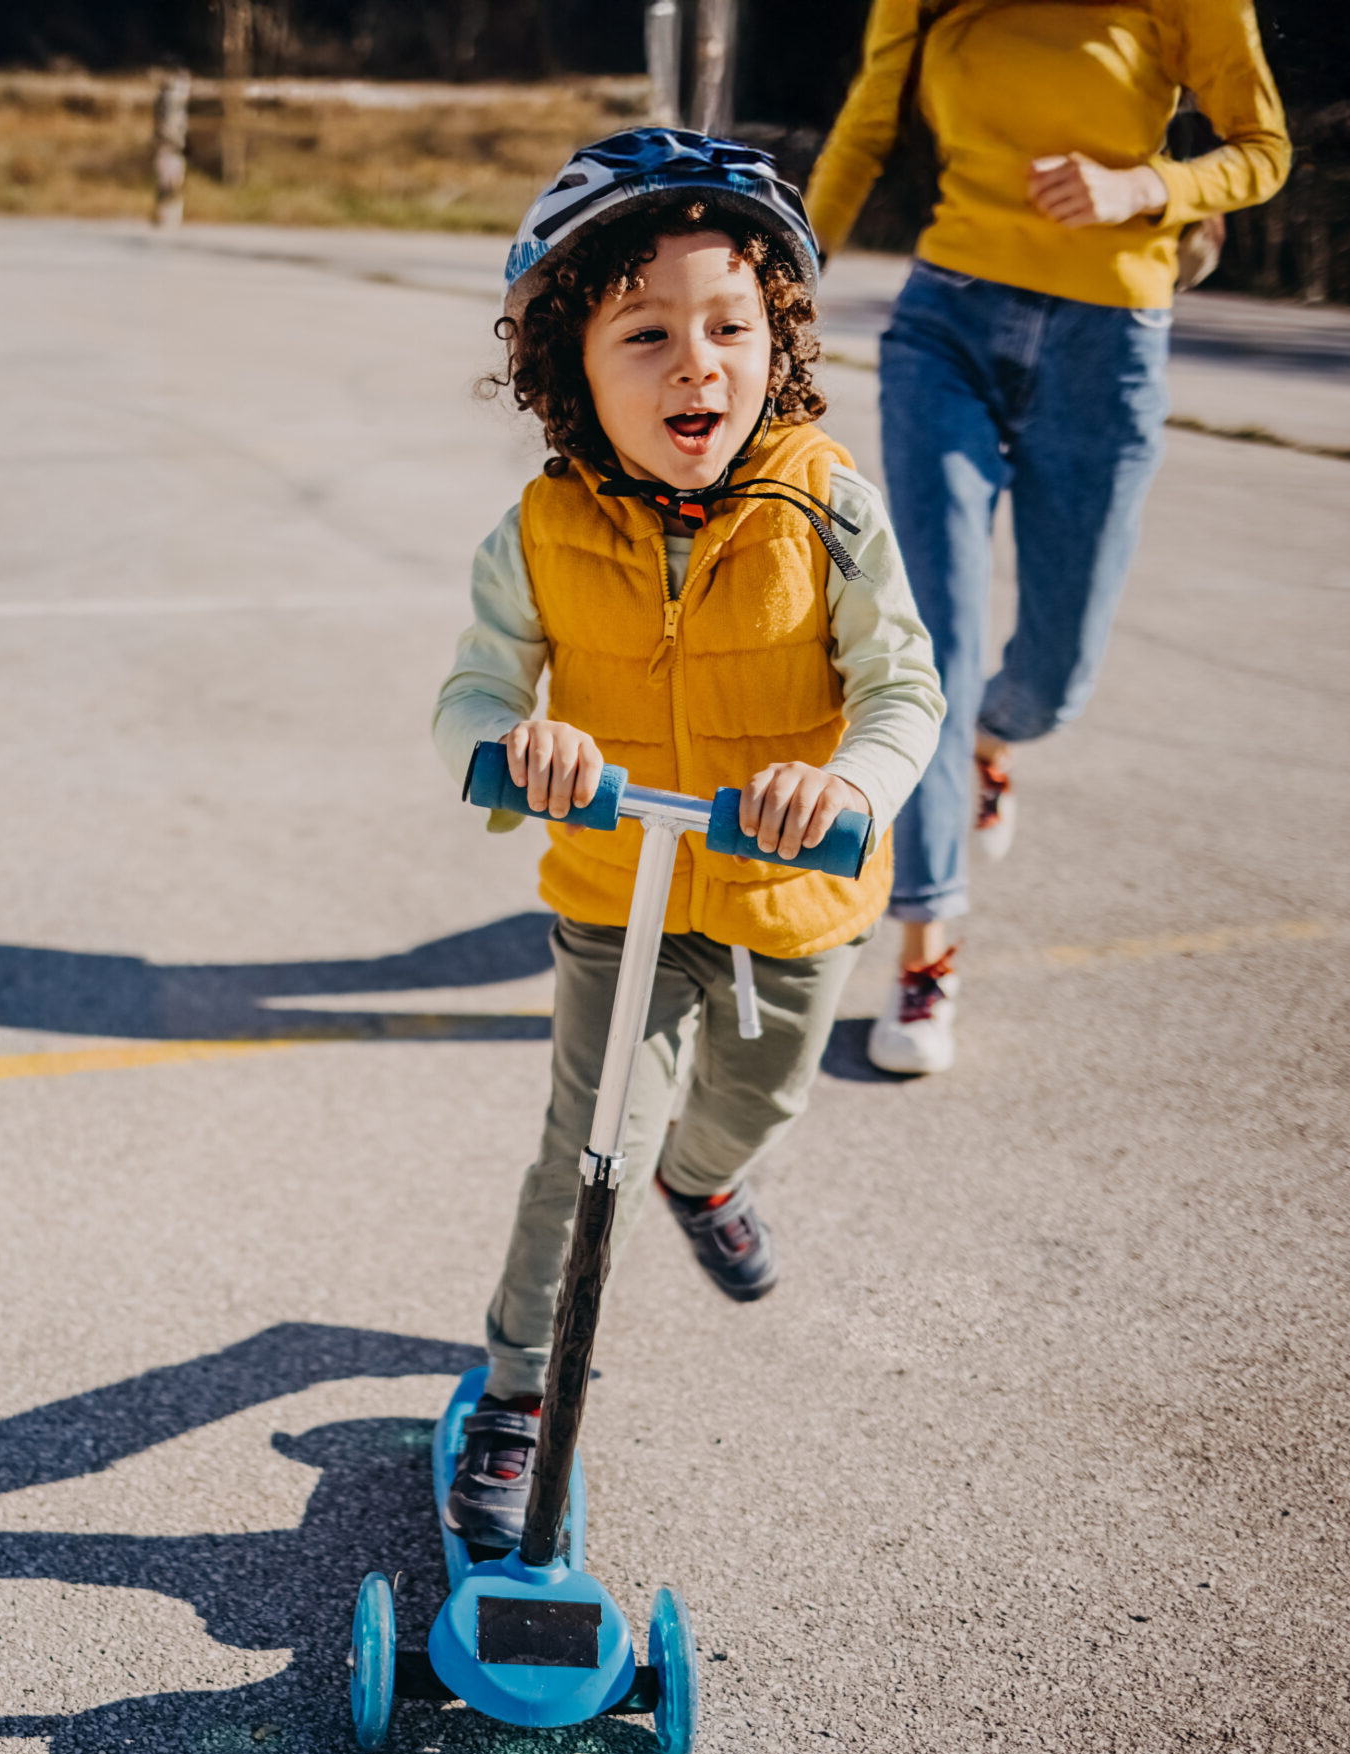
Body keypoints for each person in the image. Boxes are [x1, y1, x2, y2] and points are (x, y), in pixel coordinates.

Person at [431, 131, 945, 1551]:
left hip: (795, 892)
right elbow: (476, 689)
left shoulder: (828, 503)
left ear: (779, 340)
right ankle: (523, 1392)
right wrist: (517, 750)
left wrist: (850, 789)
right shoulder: (537, 532)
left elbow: (903, 685)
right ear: (568, 371)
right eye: (644, 333)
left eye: (730, 326)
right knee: (586, 1144)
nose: (694, 364)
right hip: (619, 891)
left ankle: (705, 1179)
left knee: (748, 1108)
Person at [806, 0, 1290, 1074]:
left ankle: (996, 741)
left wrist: (1149, 185)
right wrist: (783, 276)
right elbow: (864, 132)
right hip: (947, 324)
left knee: (1054, 675)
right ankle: (927, 945)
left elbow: (1262, 151)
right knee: (932, 643)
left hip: (1106, 343)